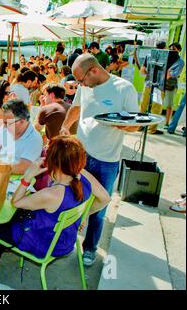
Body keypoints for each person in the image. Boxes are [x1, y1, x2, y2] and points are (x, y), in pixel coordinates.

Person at [0, 135, 111, 278]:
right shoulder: (82, 175)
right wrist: (84, 215)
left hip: (46, 243)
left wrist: (27, 177)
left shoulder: (52, 194)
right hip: (65, 237)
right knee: (7, 220)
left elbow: (16, 202)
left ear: (54, 161)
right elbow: (105, 198)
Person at [60, 54, 139, 266]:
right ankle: (66, 241)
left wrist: (119, 124)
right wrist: (65, 126)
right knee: (72, 199)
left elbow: (135, 124)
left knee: (99, 208)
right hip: (81, 155)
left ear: (94, 70)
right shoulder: (85, 87)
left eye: (81, 80)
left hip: (106, 159)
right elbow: (76, 109)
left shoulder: (124, 88)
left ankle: (90, 248)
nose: (80, 85)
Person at [0, 99, 43, 175]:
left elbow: (21, 168)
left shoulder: (35, 139)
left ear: (22, 121)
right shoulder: (6, 128)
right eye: (4, 122)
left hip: (19, 180)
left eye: (7, 123)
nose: (4, 126)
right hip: (0, 174)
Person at [138, 41, 167, 134]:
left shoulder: (149, 55)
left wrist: (149, 74)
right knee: (156, 107)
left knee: (143, 105)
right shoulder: (165, 57)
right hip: (159, 85)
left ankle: (139, 126)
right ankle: (151, 129)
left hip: (148, 83)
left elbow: (142, 71)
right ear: (164, 47)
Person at [164, 42, 185, 128]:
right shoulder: (165, 57)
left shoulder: (180, 62)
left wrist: (166, 73)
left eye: (174, 49)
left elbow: (174, 74)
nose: (172, 51)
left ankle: (167, 123)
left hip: (170, 85)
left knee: (169, 104)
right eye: (171, 49)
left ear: (179, 50)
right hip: (161, 83)